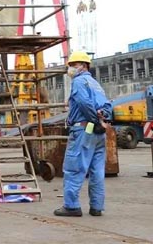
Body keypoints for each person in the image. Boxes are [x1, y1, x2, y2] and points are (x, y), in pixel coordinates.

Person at [54, 51, 112, 217]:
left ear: (84, 66)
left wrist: (94, 120)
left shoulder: (79, 81)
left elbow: (83, 103)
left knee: (74, 167)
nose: (71, 68)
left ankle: (71, 206)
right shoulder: (95, 84)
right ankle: (96, 207)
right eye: (70, 65)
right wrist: (101, 119)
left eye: (74, 64)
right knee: (97, 171)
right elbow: (107, 107)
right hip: (98, 132)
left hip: (83, 130)